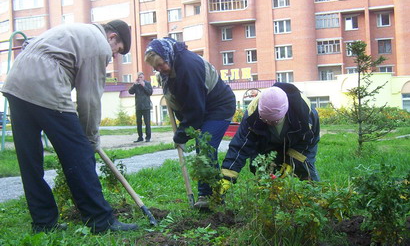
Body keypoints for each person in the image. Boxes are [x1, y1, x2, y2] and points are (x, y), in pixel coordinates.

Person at [1, 20, 138, 233]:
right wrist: (90, 140)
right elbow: (89, 99)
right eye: (116, 51)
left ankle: (44, 222)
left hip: (16, 83)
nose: (112, 58)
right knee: (79, 153)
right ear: (111, 37)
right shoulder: (99, 45)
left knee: (30, 161)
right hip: (45, 83)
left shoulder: (77, 31)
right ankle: (100, 221)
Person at [144, 37, 236, 209]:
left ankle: (210, 195)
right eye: (155, 67)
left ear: (168, 56)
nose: (159, 69)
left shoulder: (188, 66)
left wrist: (181, 135)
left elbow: (195, 109)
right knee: (203, 145)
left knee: (205, 145)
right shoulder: (170, 67)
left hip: (219, 107)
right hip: (203, 105)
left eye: (161, 64)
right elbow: (183, 101)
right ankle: (208, 193)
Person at [218, 82, 320, 197]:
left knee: (305, 168)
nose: (270, 124)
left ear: (285, 112)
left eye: (274, 121)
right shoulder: (252, 113)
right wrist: (227, 176)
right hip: (267, 143)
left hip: (297, 143)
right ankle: (271, 201)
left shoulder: (304, 112)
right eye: (265, 120)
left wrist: (291, 161)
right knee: (265, 172)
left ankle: (316, 199)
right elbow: (240, 145)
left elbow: (308, 140)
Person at [128, 72, 153, 142]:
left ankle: (148, 137)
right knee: (139, 123)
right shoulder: (136, 85)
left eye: (141, 77)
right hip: (138, 107)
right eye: (139, 77)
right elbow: (130, 92)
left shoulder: (147, 83)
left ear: (143, 77)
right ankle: (140, 137)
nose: (140, 79)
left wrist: (144, 86)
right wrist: (134, 85)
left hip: (146, 106)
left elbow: (150, 92)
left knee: (147, 123)